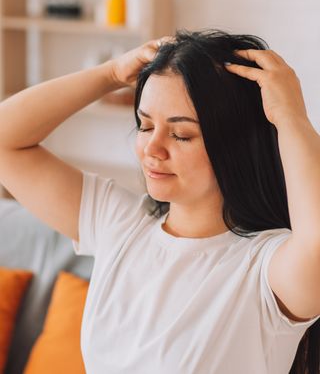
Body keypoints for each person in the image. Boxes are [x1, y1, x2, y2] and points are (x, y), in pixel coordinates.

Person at [0, 29, 319, 374]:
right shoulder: (120, 224)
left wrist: (291, 118)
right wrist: (109, 74)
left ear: (235, 145)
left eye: (181, 134)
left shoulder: (264, 272)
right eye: (145, 125)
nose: (152, 149)